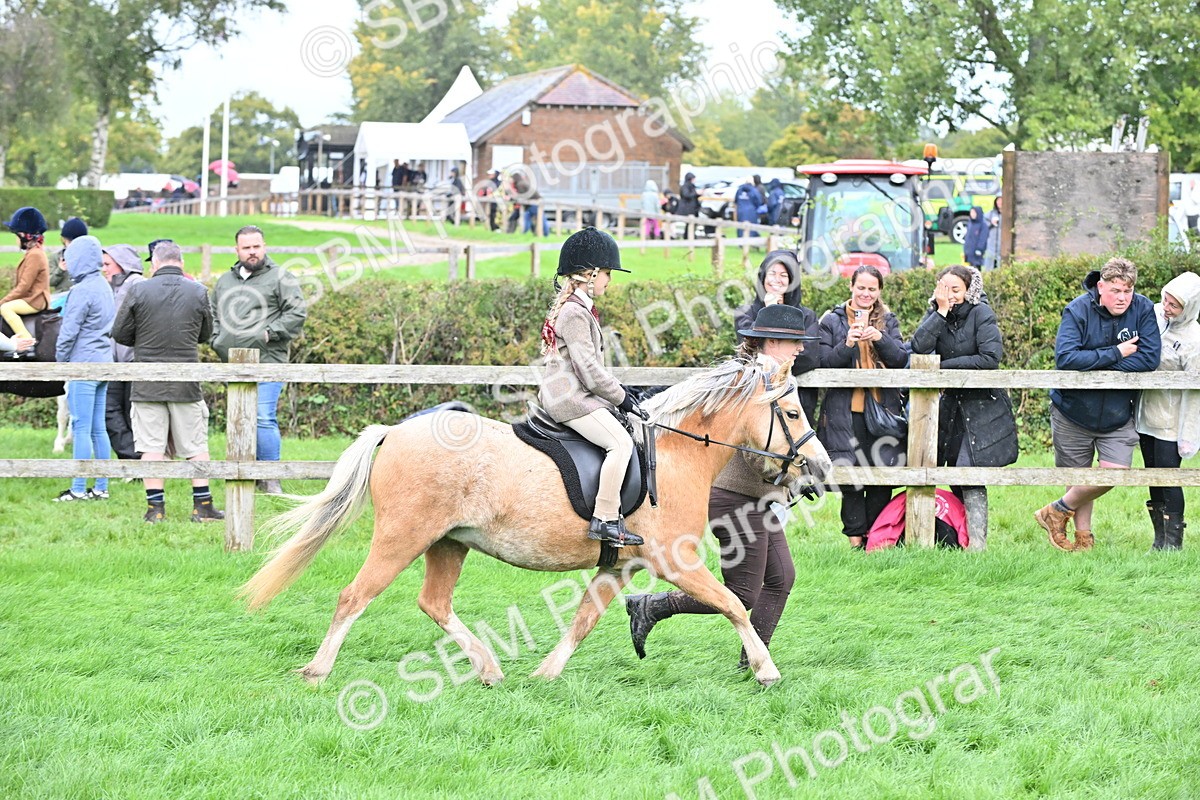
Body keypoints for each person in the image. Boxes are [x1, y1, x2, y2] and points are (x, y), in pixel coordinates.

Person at [625, 303, 819, 669]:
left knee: (781, 578)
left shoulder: (773, 380)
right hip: (735, 497)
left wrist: (795, 477)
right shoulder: (749, 383)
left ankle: (753, 663)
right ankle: (650, 605)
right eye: (795, 342)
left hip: (760, 497)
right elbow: (749, 445)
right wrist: (790, 474)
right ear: (773, 341)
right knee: (744, 592)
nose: (801, 349)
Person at [1034, 257, 1161, 551]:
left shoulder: (1143, 309)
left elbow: (1149, 359)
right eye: (1115, 290)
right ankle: (1083, 540)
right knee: (1078, 477)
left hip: (1117, 413)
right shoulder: (1077, 310)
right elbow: (1066, 359)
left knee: (1114, 472)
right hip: (1072, 410)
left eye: (1127, 291)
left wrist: (1095, 367)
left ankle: (1055, 511)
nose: (1122, 298)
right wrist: (1116, 352)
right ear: (1101, 286)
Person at [538, 227, 644, 547]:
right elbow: (589, 371)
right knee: (620, 444)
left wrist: (620, 394)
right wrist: (622, 397)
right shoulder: (573, 312)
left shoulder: (578, 307)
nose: (610, 280)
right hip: (571, 398)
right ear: (591, 273)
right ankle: (605, 519)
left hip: (577, 393)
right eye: (608, 273)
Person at [113, 241, 223, 524]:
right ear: (181, 262)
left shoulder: (138, 289)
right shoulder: (198, 291)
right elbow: (205, 333)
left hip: (146, 381)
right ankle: (203, 506)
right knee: (195, 445)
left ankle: (155, 510)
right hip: (186, 381)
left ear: (155, 263)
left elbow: (119, 332)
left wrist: (143, 341)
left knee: (151, 446)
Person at [909, 265, 1018, 550]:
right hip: (950, 408)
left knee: (970, 473)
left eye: (955, 289)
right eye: (944, 288)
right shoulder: (936, 314)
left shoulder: (981, 313)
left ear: (969, 290)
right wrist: (940, 312)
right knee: (949, 473)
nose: (950, 295)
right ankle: (959, 538)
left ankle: (978, 545)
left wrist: (942, 368)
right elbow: (919, 347)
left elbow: (989, 358)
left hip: (982, 407)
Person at [210, 225, 308, 494]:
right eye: (246, 248)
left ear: (264, 247)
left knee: (263, 417)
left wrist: (268, 334)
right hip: (234, 364)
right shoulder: (225, 281)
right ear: (237, 250)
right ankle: (243, 473)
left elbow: (296, 313)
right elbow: (213, 315)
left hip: (269, 361)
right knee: (240, 418)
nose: (252, 252)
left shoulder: (280, 277)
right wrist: (217, 341)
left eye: (257, 246)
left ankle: (270, 477)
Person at [817, 264, 908, 548]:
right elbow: (823, 363)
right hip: (845, 412)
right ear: (851, 287)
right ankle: (855, 539)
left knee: (882, 474)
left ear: (879, 291)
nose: (866, 294)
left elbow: (901, 359)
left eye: (872, 289)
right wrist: (847, 344)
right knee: (851, 477)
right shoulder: (831, 321)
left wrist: (880, 338)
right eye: (861, 288)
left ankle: (877, 537)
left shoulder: (888, 320)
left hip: (884, 411)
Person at [1134, 271, 1200, 550]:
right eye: (1165, 300)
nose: (1167, 308)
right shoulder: (1155, 316)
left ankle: (1174, 543)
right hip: (1146, 413)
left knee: (1169, 476)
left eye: (1175, 305)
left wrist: (1190, 433)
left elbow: (1196, 392)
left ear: (1190, 307)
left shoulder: (1194, 340)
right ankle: (1158, 540)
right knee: (1152, 476)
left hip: (1172, 422)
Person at [53, 235, 116, 502]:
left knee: (80, 426)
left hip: (83, 365)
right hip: (104, 363)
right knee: (98, 428)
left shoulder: (81, 290)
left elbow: (68, 332)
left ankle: (78, 488)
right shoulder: (104, 285)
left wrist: (59, 361)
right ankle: (101, 487)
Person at [735, 250, 820, 423]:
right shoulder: (744, 313)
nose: (776, 279)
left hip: (797, 402)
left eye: (783, 275)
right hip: (756, 400)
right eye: (772, 273)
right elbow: (750, 351)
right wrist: (769, 312)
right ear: (763, 277)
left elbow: (810, 357)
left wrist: (773, 360)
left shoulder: (807, 316)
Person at [102, 244, 146, 461]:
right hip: (112, 363)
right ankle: (131, 459)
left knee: (132, 415)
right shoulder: (109, 287)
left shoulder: (139, 286)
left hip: (134, 361)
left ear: (122, 264)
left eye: (108, 264)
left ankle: (142, 463)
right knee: (108, 410)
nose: (104, 269)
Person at [1, 206, 51, 341]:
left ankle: (27, 342)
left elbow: (24, 287)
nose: (15, 240)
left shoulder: (35, 255)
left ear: (24, 236)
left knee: (6, 308)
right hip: (32, 298)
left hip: (35, 300)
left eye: (16, 236)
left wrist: (2, 301)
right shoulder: (34, 252)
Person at [48, 217, 88, 297]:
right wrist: (60, 270)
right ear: (64, 240)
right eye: (70, 242)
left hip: (82, 297)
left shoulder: (87, 256)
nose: (73, 246)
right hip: (61, 298)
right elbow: (49, 282)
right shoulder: (55, 257)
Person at [983, 197, 1003, 271]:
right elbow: (984, 224)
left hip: (1002, 243)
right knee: (990, 259)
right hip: (992, 242)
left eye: (1001, 201)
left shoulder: (1007, 214)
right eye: (998, 201)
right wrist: (991, 223)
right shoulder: (990, 214)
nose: (1000, 203)